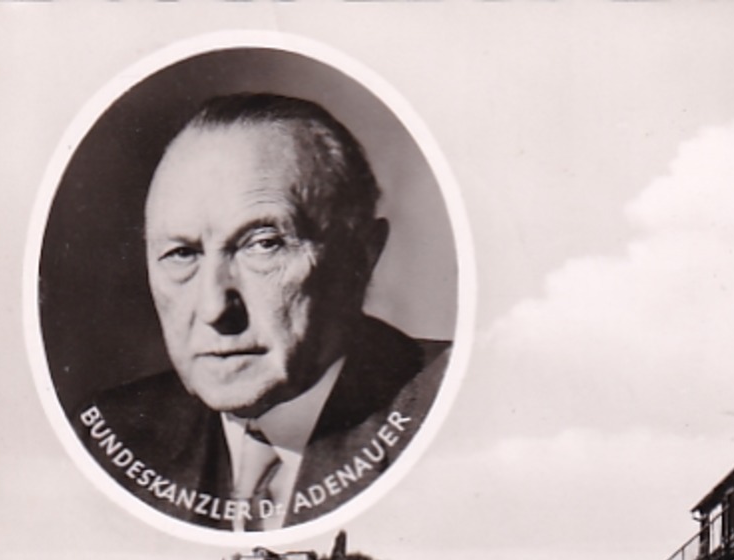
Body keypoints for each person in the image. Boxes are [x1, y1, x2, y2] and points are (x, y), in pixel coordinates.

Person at [72, 93, 450, 532]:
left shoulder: (448, 407)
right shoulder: (107, 439)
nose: (214, 308)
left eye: (263, 244)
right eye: (181, 253)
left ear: (362, 255)